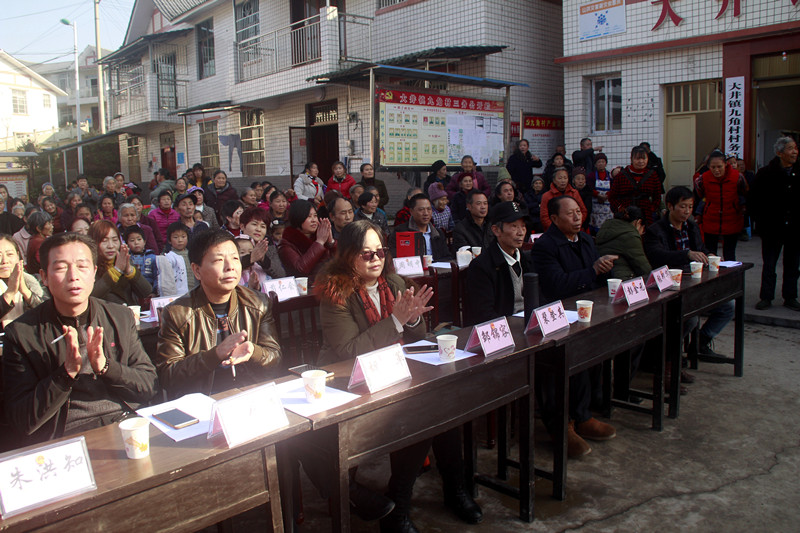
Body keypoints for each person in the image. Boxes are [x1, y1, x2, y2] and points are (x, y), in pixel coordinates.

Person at [315, 220, 481, 530]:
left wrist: (413, 320)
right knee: (419, 410)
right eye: (366, 254)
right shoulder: (336, 292)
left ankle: (455, 488)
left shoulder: (394, 283)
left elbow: (415, 338)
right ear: (348, 255)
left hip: (392, 372)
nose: (375, 259)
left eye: (380, 251)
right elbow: (349, 351)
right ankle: (398, 507)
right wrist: (395, 321)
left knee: (444, 404)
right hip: (349, 382)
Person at [2, 232, 158, 445]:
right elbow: (22, 420)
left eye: (82, 266)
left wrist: (106, 367)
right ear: (44, 277)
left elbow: (149, 386)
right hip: (63, 436)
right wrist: (66, 374)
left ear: (94, 273)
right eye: (61, 268)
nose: (73, 276)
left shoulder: (120, 317)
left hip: (123, 423)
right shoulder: (22, 334)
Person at [532, 195, 618, 458]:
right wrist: (593, 270)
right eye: (570, 213)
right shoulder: (546, 246)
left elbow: (597, 277)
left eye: (579, 211)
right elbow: (556, 284)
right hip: (558, 316)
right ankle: (562, 425)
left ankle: (583, 416)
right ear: (554, 219)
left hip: (588, 312)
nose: (577, 216)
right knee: (565, 362)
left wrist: (606, 269)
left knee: (592, 359)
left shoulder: (587, 240)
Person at [155, 229, 281, 399]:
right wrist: (214, 355)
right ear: (197, 270)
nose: (230, 267)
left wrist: (254, 352)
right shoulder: (177, 313)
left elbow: (274, 358)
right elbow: (168, 376)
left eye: (235, 258)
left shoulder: (258, 303)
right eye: (219, 260)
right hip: (202, 401)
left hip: (249, 394)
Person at [643, 186, 735, 357]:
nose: (687, 211)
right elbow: (657, 256)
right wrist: (686, 254)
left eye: (690, 207)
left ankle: (700, 342)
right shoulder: (655, 230)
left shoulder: (691, 226)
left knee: (728, 306)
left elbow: (700, 249)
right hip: (670, 287)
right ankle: (668, 356)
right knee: (689, 318)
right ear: (670, 206)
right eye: (683, 206)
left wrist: (709, 255)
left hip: (695, 284)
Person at [750, 137, 800, 311]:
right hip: (771, 228)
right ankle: (766, 297)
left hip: (794, 228)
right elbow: (754, 200)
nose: (794, 152)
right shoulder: (765, 173)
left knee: (793, 265)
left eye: (795, 148)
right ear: (779, 153)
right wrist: (760, 222)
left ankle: (790, 297)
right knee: (769, 264)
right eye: (790, 148)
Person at [465, 201, 533, 323]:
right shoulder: (481, 266)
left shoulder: (527, 260)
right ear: (496, 230)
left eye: (523, 226)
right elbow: (484, 313)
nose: (521, 232)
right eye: (514, 226)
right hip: (503, 327)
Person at [694, 149, 747, 261]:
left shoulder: (737, 177)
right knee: (710, 254)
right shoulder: (702, 179)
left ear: (725, 164)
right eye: (713, 167)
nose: (716, 170)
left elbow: (744, 193)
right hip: (711, 219)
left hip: (732, 219)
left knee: (729, 254)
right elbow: (700, 195)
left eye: (719, 166)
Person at [89, 220, 152, 306]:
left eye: (115, 240)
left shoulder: (122, 259)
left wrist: (130, 271)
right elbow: (92, 296)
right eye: (104, 241)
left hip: (129, 311)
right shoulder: (89, 266)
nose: (111, 246)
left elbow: (146, 292)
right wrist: (116, 271)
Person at [278, 199, 334, 280]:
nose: (314, 220)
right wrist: (319, 242)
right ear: (298, 218)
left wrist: (331, 242)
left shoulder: (320, 235)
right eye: (309, 216)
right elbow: (300, 269)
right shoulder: (286, 244)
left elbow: (340, 262)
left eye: (315, 216)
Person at [0, 235, 46, 330]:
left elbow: (47, 313)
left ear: (18, 256)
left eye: (10, 254)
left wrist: (25, 291)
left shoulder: (35, 280)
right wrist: (10, 293)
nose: (5, 261)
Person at [389, 194, 453, 262]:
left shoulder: (438, 233)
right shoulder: (401, 232)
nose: (426, 213)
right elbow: (395, 258)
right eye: (421, 210)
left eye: (429, 209)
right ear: (411, 211)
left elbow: (447, 257)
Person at [609, 145, 662, 226]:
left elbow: (657, 196)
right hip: (626, 215)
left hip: (646, 215)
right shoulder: (622, 175)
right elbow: (612, 196)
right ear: (631, 159)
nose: (641, 161)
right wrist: (620, 208)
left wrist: (651, 209)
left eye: (644, 158)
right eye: (637, 159)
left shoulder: (652, 175)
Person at [595, 205, 652, 280]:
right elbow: (643, 267)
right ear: (638, 222)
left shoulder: (606, 228)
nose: (641, 234)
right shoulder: (630, 235)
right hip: (623, 278)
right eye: (643, 230)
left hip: (605, 277)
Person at [239, 207, 285, 280]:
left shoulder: (268, 245)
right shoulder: (233, 244)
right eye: (254, 224)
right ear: (242, 226)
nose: (259, 229)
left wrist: (264, 259)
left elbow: (281, 274)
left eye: (263, 226)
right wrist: (250, 258)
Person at [124, 225, 158, 297]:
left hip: (150, 291)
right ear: (127, 244)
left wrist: (155, 291)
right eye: (132, 240)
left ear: (144, 241)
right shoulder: (126, 258)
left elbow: (156, 276)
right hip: (132, 293)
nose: (136, 243)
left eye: (139, 239)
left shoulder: (153, 257)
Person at [164, 222, 196, 290]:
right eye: (175, 237)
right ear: (169, 240)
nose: (180, 240)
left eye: (183, 237)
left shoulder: (193, 255)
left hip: (194, 289)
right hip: (178, 291)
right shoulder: (168, 257)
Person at [588, 153, 613, 233]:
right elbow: (589, 188)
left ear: (606, 163)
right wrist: (598, 195)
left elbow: (613, 188)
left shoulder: (610, 176)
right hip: (596, 208)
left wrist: (607, 195)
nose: (601, 164)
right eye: (599, 162)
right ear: (595, 164)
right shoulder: (591, 176)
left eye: (603, 162)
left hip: (608, 207)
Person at [571, 168, 594, 233]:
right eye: (578, 179)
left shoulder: (588, 191)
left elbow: (588, 209)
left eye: (583, 179)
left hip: (584, 223)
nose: (580, 181)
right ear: (573, 180)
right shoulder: (570, 192)